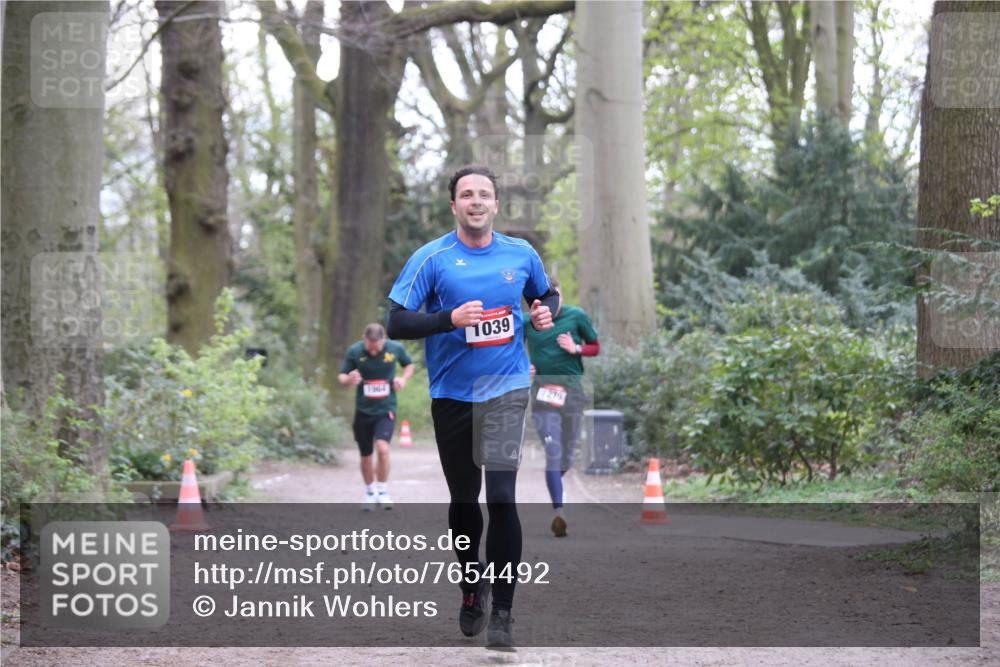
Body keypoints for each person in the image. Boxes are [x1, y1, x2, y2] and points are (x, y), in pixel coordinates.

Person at [386, 165, 558, 651]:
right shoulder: (432, 259)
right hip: (452, 395)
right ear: (454, 205)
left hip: (505, 388)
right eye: (467, 194)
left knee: (502, 497)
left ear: (496, 204)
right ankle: (470, 588)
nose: (476, 201)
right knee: (465, 501)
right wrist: (448, 319)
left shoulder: (520, 253)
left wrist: (545, 310)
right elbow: (397, 322)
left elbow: (545, 295)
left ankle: (503, 611)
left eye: (485, 194)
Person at [523, 275, 600, 538]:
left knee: (566, 457)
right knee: (554, 452)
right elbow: (508, 350)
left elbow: (596, 347)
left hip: (573, 394)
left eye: (554, 298)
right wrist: (524, 368)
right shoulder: (528, 322)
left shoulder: (576, 316)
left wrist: (575, 347)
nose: (550, 305)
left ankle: (556, 485)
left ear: (561, 296)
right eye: (545, 301)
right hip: (544, 396)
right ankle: (559, 512)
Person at [338, 323, 415, 511]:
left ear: (384, 340)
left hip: (385, 409)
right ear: (364, 339)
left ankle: (383, 490)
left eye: (377, 347)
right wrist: (350, 379)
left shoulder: (395, 349)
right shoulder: (355, 351)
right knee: (366, 457)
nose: (373, 351)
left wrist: (403, 379)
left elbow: (409, 364)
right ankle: (370, 492)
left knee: (383, 449)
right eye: (369, 347)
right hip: (363, 411)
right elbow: (341, 376)